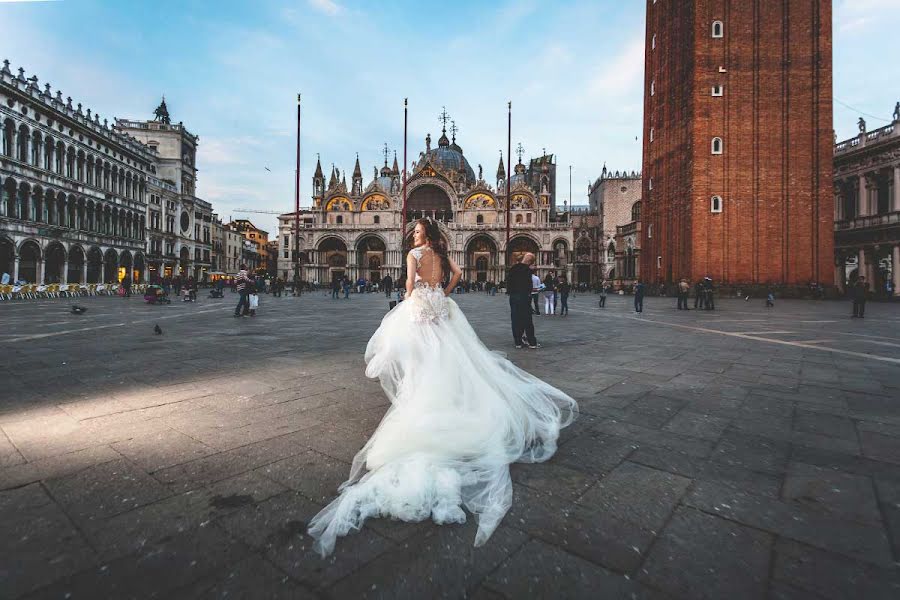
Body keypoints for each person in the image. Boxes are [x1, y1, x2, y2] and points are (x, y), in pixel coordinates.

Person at [307, 220, 577, 557]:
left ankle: (426, 405)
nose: (414, 235)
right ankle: (448, 403)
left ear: (425, 235)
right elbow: (458, 274)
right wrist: (442, 294)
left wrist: (409, 301)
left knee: (419, 360)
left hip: (420, 308)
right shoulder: (442, 252)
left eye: (417, 231)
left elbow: (407, 284)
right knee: (450, 358)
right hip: (441, 308)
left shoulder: (414, 254)